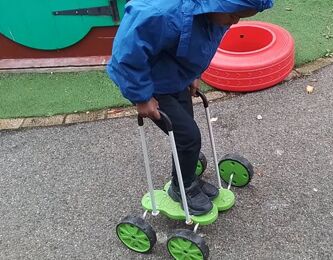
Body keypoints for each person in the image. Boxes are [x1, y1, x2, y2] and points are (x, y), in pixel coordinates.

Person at [107, 0, 273, 216]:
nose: (235, 21)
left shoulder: (214, 14)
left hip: (174, 77)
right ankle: (182, 188)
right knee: (188, 136)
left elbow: (199, 46)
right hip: (149, 84)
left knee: (186, 132)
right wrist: (142, 96)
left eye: (241, 16)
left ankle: (186, 177)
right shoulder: (162, 14)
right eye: (233, 15)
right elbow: (127, 54)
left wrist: (194, 74)